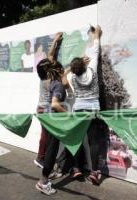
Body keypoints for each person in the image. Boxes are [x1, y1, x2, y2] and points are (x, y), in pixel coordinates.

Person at [67, 25, 103, 184]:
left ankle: (76, 169)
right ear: (84, 65)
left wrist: (77, 64)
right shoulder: (92, 71)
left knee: (77, 139)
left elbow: (69, 72)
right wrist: (97, 36)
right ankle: (94, 172)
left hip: (78, 110)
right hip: (93, 109)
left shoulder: (73, 78)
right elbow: (95, 51)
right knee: (93, 141)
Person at [36, 61, 67, 195]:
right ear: (59, 70)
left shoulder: (47, 81)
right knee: (51, 151)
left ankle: (46, 176)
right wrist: (68, 115)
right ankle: (43, 182)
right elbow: (55, 105)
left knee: (50, 148)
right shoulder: (57, 84)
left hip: (46, 118)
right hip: (52, 120)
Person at [34, 33, 62, 169]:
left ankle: (42, 158)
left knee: (44, 135)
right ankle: (41, 159)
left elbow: (50, 55)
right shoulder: (52, 81)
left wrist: (56, 40)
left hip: (40, 108)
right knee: (48, 137)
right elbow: (64, 83)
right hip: (47, 110)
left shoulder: (43, 77)